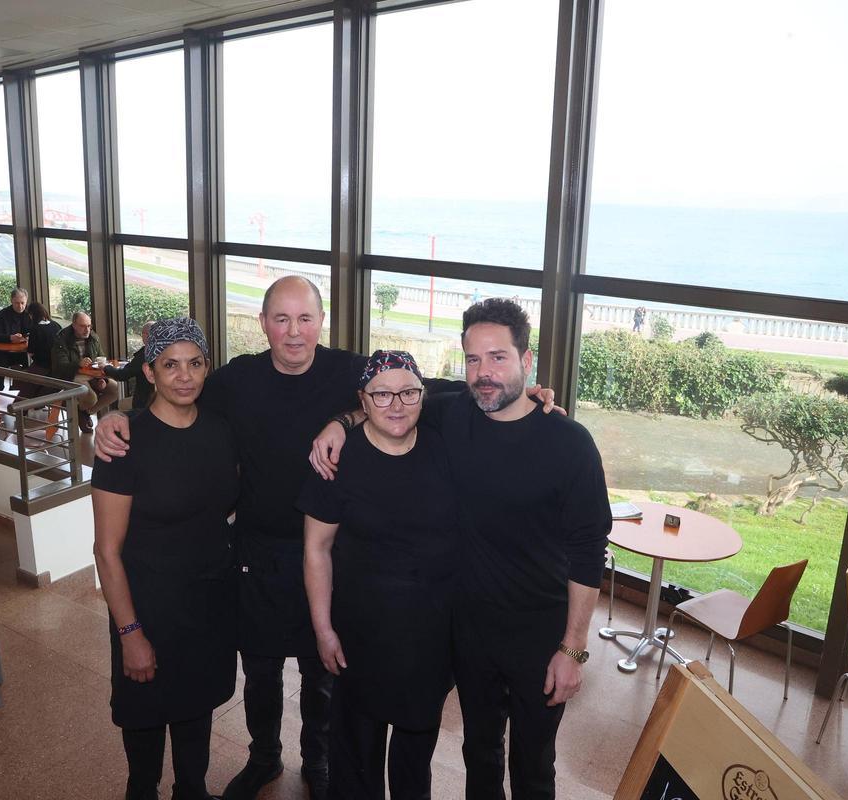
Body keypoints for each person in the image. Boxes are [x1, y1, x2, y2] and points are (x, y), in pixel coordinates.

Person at [95, 278, 556, 800]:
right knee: (262, 671)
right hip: (256, 554)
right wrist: (116, 417)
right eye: (282, 320)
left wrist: (526, 394)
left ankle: (316, 758)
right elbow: (174, 394)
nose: (294, 333)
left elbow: (424, 390)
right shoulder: (235, 378)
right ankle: (264, 755)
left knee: (323, 671)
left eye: (305, 319)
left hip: (328, 554)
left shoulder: (345, 371)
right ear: (263, 323)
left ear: (322, 322)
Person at [310, 298, 610, 800]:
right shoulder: (452, 416)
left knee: (534, 765)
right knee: (481, 755)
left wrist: (572, 648)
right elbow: (391, 401)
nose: (484, 373)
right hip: (467, 632)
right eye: (473, 359)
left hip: (539, 631)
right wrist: (339, 423)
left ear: (526, 360)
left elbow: (587, 549)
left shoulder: (570, 443)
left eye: (498, 357)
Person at [300, 350, 459, 800]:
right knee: (356, 758)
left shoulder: (441, 445)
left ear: (422, 396)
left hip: (429, 642)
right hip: (360, 637)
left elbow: (486, 395)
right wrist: (323, 628)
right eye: (382, 393)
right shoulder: (337, 460)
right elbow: (317, 549)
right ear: (362, 401)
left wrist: (534, 393)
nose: (396, 404)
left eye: (408, 392)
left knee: (414, 761)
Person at [92, 317, 239, 800]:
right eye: (170, 365)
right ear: (150, 372)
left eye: (194, 363)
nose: (184, 376)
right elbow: (107, 552)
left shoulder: (220, 430)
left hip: (207, 608)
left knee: (196, 719)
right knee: (146, 737)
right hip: (148, 610)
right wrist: (130, 633)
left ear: (206, 367)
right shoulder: (124, 443)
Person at [52, 311, 119, 433]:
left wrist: (102, 379)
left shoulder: (93, 337)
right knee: (91, 398)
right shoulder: (62, 338)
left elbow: (101, 357)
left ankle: (84, 412)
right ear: (74, 325)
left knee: (115, 389)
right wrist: (78, 363)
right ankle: (83, 411)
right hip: (72, 375)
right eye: (83, 326)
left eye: (89, 326)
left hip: (92, 375)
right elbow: (60, 367)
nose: (87, 329)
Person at [105, 321, 157, 412]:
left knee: (121, 404)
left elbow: (122, 375)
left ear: (145, 335)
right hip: (162, 400)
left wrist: (106, 367)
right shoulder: (166, 351)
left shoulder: (145, 354)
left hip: (145, 403)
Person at [0, 287, 33, 390]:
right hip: (2, 353)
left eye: (23, 303)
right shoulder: (2, 315)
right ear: (11, 301)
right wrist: (10, 338)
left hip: (23, 352)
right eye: (17, 303)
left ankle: (23, 390)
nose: (20, 306)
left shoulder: (29, 314)